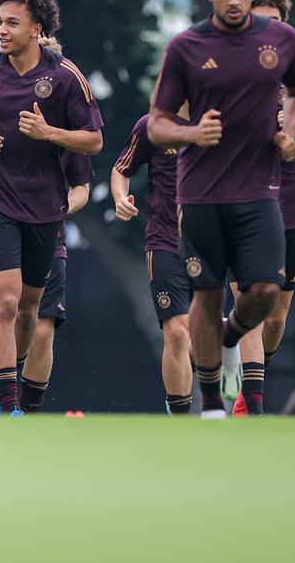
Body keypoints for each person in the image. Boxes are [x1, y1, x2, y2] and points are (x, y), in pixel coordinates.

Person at [147, 0, 295, 419]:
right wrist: (192, 132)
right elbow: (157, 123)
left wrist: (289, 130)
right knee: (206, 292)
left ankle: (231, 337)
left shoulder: (281, 40)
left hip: (261, 191)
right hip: (200, 193)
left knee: (264, 292)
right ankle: (214, 402)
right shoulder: (186, 47)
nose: (235, 1)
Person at [0, 0, 103, 415]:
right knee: (3, 305)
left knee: (30, 314)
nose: (2, 30)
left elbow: (93, 140)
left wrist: (48, 131)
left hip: (45, 211)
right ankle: (8, 405)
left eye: (12, 23)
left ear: (37, 28)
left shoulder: (64, 77)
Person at [0, 146, 91, 414]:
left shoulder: (65, 128)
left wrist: (58, 209)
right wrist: (1, 209)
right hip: (3, 238)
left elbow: (81, 188)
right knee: (5, 318)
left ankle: (24, 414)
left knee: (41, 328)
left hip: (49, 238)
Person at [230, 0, 295, 416]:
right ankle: (253, 405)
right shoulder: (228, 77)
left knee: (278, 313)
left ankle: (249, 378)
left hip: (292, 205)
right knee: (251, 299)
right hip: (241, 203)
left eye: (274, 22)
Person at [112, 109, 193, 415]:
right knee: (176, 331)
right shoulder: (152, 125)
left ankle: (226, 359)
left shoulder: (221, 121)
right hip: (164, 241)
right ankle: (180, 416)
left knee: (200, 334)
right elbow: (122, 169)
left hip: (211, 243)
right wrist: (120, 198)